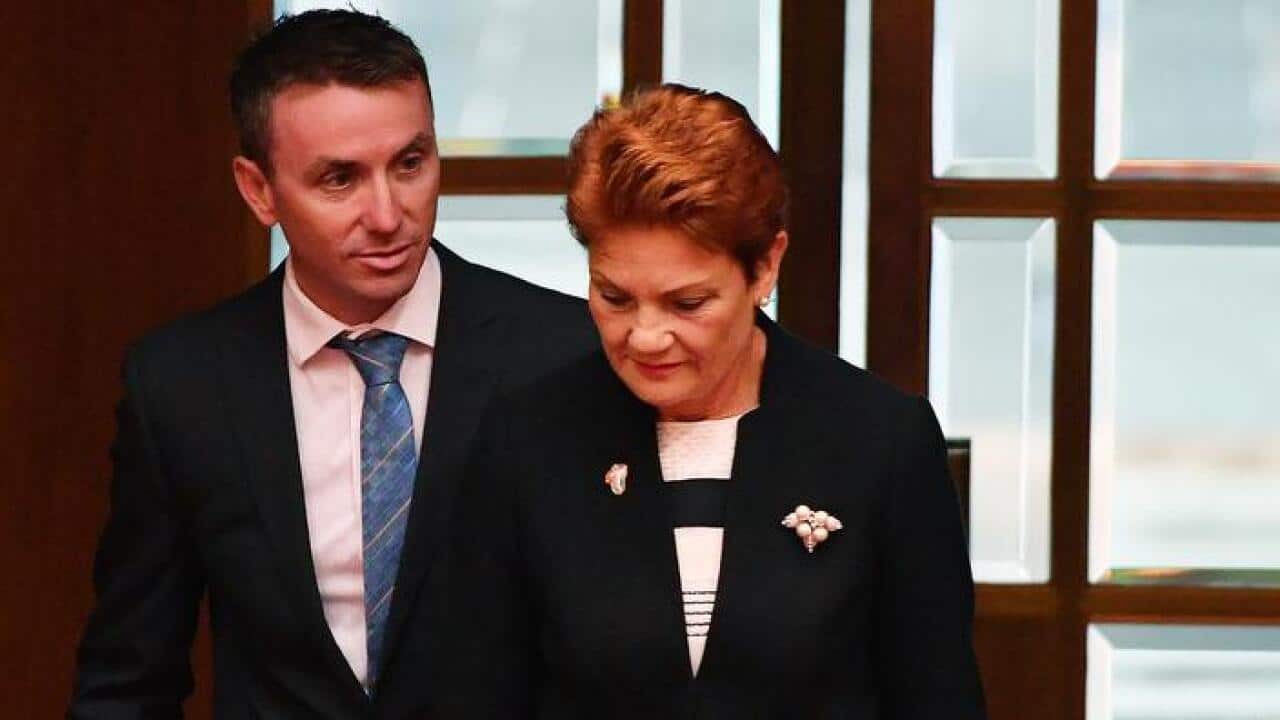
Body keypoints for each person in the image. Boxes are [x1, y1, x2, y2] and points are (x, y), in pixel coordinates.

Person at [67, 9, 595, 719]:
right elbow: (129, 677)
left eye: (410, 163)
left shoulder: (564, 352)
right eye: (339, 179)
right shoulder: (182, 385)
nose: (388, 214)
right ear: (259, 191)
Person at [435, 84, 986, 718]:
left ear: (765, 268)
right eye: (614, 297)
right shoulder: (529, 441)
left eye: (687, 303)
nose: (645, 336)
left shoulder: (878, 441)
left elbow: (937, 698)